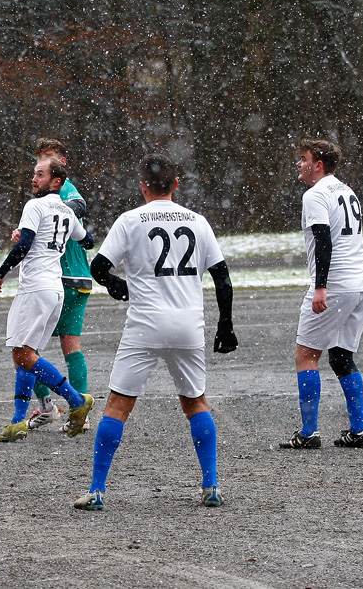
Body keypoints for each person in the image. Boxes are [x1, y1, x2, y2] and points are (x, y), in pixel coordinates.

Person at [74, 153, 237, 511]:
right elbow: (222, 278)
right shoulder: (197, 221)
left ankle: (97, 490)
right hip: (188, 325)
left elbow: (99, 266)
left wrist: (116, 284)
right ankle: (211, 484)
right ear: (176, 184)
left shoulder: (130, 220)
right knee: (195, 402)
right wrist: (225, 324)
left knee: (118, 405)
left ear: (142, 185)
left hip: (146, 324)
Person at [0, 158, 96, 442]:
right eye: (34, 174)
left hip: (35, 289)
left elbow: (24, 245)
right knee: (23, 354)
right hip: (54, 290)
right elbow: (88, 241)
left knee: (24, 354)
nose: (33, 179)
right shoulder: (66, 212)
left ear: (56, 181)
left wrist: (1, 272)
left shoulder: (34, 206)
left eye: (40, 175)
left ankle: (75, 400)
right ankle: (17, 421)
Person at [279, 139, 363, 451]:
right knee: (342, 356)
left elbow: (323, 241)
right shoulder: (347, 190)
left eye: (303, 159)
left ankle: (308, 433)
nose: (299, 164)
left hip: (336, 284)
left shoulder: (315, 194)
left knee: (306, 355)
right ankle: (359, 431)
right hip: (360, 283)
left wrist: (321, 286)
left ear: (317, 165)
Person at [21, 139, 94, 433]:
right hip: (80, 277)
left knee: (27, 349)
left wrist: (58, 207)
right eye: (41, 159)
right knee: (70, 346)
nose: (44, 165)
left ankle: (49, 407)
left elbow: (79, 204)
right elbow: (86, 238)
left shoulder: (61, 190)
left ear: (63, 164)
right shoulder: (45, 197)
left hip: (58, 278)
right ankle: (81, 413)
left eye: (51, 159)